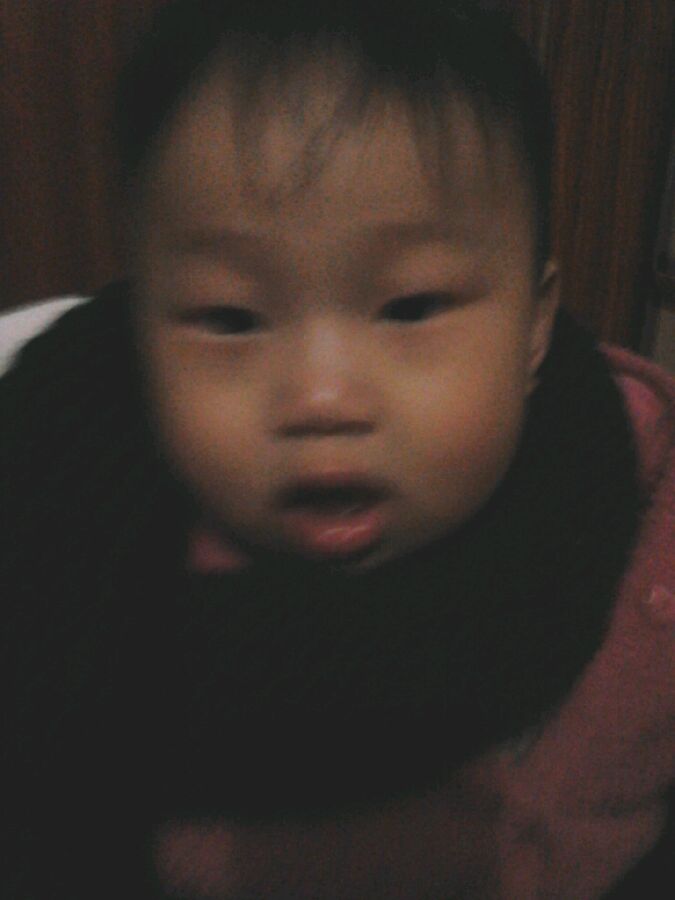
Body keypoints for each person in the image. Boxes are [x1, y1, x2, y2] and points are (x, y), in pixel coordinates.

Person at [2, 0, 674, 896]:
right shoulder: (74, 540)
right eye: (230, 318)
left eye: (411, 306)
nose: (321, 400)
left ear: (533, 327)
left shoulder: (640, 509)